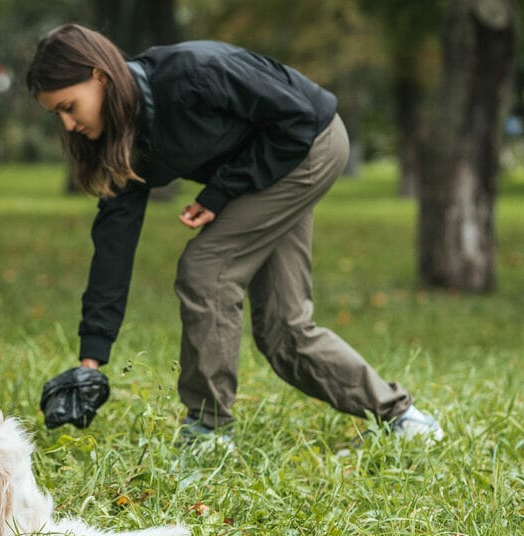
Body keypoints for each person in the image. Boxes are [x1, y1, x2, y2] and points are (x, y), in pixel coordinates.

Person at [26, 24, 444, 447]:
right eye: (56, 114)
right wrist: (90, 363)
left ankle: (207, 431)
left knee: (207, 269)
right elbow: (113, 247)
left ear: (100, 76)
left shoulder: (193, 74)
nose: (68, 123)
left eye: (69, 106)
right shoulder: (125, 139)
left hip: (309, 144)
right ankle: (404, 418)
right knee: (285, 329)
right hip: (271, 162)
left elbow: (296, 119)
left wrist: (221, 192)